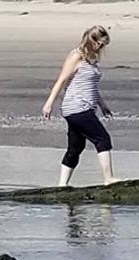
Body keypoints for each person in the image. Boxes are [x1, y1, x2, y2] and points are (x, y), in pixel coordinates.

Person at [43, 24, 116, 187]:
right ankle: (108, 178)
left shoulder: (91, 60)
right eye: (101, 44)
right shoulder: (77, 56)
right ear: (93, 41)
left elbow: (90, 87)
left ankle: (62, 186)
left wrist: (103, 105)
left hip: (83, 108)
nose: (102, 48)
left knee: (76, 147)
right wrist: (49, 104)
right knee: (102, 138)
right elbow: (62, 80)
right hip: (77, 107)